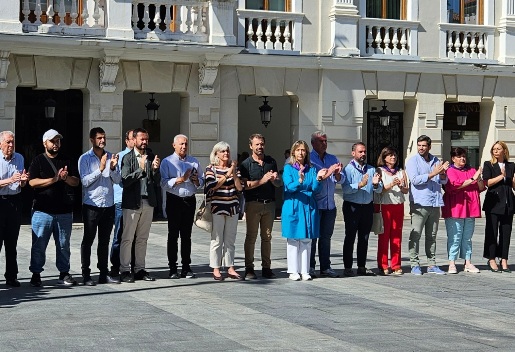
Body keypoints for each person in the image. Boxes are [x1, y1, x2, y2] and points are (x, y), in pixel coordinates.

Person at [28, 129, 80, 287]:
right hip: (42, 211)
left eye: (58, 141)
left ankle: (64, 273)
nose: (56, 144)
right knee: (39, 244)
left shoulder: (67, 160)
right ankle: (36, 274)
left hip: (64, 211)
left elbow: (76, 182)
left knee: (64, 244)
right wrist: (54, 179)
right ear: (45, 143)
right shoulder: (38, 160)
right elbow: (32, 182)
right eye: (52, 141)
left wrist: (65, 178)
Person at [78, 127, 121, 285]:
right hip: (91, 205)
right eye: (99, 138)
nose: (102, 140)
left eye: (104, 137)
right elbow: (85, 181)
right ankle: (86, 274)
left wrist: (112, 168)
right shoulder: (85, 159)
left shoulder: (111, 156)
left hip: (108, 204)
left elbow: (117, 180)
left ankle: (104, 273)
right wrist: (101, 169)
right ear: (92, 140)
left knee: (104, 241)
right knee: (88, 240)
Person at [119, 128, 161, 283]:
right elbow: (125, 180)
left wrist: (155, 170)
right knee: (127, 238)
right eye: (142, 139)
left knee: (142, 238)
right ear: (134, 140)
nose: (144, 142)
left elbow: (157, 181)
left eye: (146, 139)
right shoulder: (128, 158)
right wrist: (140, 169)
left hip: (148, 202)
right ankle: (124, 270)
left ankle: (139, 269)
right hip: (132, 203)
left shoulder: (150, 156)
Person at [239, 133, 282, 280]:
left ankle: (266, 267)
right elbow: (244, 185)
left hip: (269, 204)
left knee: (267, 237)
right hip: (253, 204)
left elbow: (278, 184)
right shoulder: (245, 164)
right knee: (251, 237)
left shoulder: (271, 161)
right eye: (257, 144)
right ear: (251, 146)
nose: (260, 147)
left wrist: (276, 179)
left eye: (262, 144)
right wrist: (262, 181)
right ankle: (249, 268)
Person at [160, 134, 203, 279]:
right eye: (181, 144)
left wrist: (196, 180)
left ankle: (186, 267)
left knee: (187, 236)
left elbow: (201, 182)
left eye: (185, 144)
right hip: (174, 200)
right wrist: (181, 179)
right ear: (174, 145)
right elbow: (164, 183)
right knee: (173, 235)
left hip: (189, 200)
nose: (184, 147)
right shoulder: (167, 162)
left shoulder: (193, 161)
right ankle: (173, 268)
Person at [282, 140, 326, 281]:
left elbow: (315, 188)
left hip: (308, 205)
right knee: (294, 239)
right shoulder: (288, 168)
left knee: (307, 240)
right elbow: (289, 187)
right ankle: (293, 270)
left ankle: (305, 270)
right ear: (293, 152)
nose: (301, 152)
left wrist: (318, 179)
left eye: (303, 150)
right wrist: (300, 181)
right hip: (294, 205)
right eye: (298, 150)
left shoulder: (311, 169)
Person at [405, 135, 449, 275]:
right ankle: (414, 263)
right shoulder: (412, 161)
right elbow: (415, 180)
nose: (421, 148)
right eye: (419, 145)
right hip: (420, 203)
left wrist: (442, 174)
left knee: (432, 235)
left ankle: (431, 263)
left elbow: (443, 181)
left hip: (435, 202)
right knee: (416, 234)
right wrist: (433, 173)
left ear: (429, 146)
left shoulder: (436, 160)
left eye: (424, 145)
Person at [342, 142, 383, 277]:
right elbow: (346, 190)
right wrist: (360, 184)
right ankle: (348, 266)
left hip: (367, 206)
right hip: (352, 207)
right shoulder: (348, 169)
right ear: (353, 153)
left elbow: (380, 188)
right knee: (350, 236)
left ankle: (361, 266)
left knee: (364, 237)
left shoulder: (371, 169)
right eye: (360, 152)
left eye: (364, 151)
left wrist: (376, 185)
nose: (363, 154)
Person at [204, 141, 243, 281]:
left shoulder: (234, 169)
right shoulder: (211, 169)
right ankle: (216, 268)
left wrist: (234, 172)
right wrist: (227, 175)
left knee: (230, 239)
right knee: (217, 239)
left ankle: (230, 267)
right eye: (222, 151)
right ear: (216, 154)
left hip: (232, 207)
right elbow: (212, 186)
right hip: (217, 208)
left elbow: (239, 188)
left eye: (227, 151)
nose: (226, 153)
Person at [442, 147, 484, 274]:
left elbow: (481, 188)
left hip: (470, 208)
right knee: (455, 236)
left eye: (464, 156)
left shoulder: (471, 170)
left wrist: (479, 178)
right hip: (456, 207)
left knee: (467, 237)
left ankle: (468, 262)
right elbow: (455, 185)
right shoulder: (450, 171)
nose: (462, 159)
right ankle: (452, 263)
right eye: (459, 156)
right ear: (453, 158)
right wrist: (472, 179)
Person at [309, 131, 344, 278]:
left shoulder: (332, 158)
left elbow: (341, 180)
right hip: (316, 204)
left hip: (330, 205)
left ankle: (325, 267)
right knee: (312, 237)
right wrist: (329, 172)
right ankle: (310, 266)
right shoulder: (309, 159)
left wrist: (337, 174)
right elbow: (315, 179)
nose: (324, 144)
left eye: (325, 141)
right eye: (321, 141)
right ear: (313, 143)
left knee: (326, 238)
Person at [0, 131, 29, 287]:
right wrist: (10, 180)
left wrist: (23, 181)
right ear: (0, 144)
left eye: (12, 142)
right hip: (0, 200)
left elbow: (20, 183)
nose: (11, 145)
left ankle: (11, 276)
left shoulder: (20, 158)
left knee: (12, 242)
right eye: (8, 142)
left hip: (14, 201)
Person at [482, 141, 515, 273]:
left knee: (506, 232)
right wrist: (502, 176)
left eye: (498, 149)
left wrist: (510, 178)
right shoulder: (488, 164)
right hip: (493, 203)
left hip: (508, 203)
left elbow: (513, 185)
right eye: (494, 149)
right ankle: (491, 258)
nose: (495, 151)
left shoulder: (511, 165)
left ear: (504, 151)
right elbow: (487, 182)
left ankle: (504, 259)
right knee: (492, 232)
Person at [375, 147, 409, 276]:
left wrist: (400, 186)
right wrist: (391, 185)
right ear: (384, 158)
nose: (393, 158)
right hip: (385, 206)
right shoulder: (380, 171)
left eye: (394, 155)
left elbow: (406, 190)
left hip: (398, 206)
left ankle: (396, 264)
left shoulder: (401, 171)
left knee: (396, 236)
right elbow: (379, 190)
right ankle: (383, 264)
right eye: (390, 155)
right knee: (384, 236)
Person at [110, 129, 135, 277]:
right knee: (119, 235)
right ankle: (115, 265)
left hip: (135, 201)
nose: (135, 141)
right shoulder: (120, 157)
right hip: (121, 200)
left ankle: (131, 265)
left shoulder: (141, 157)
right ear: (127, 141)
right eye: (133, 138)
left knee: (134, 236)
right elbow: (119, 178)